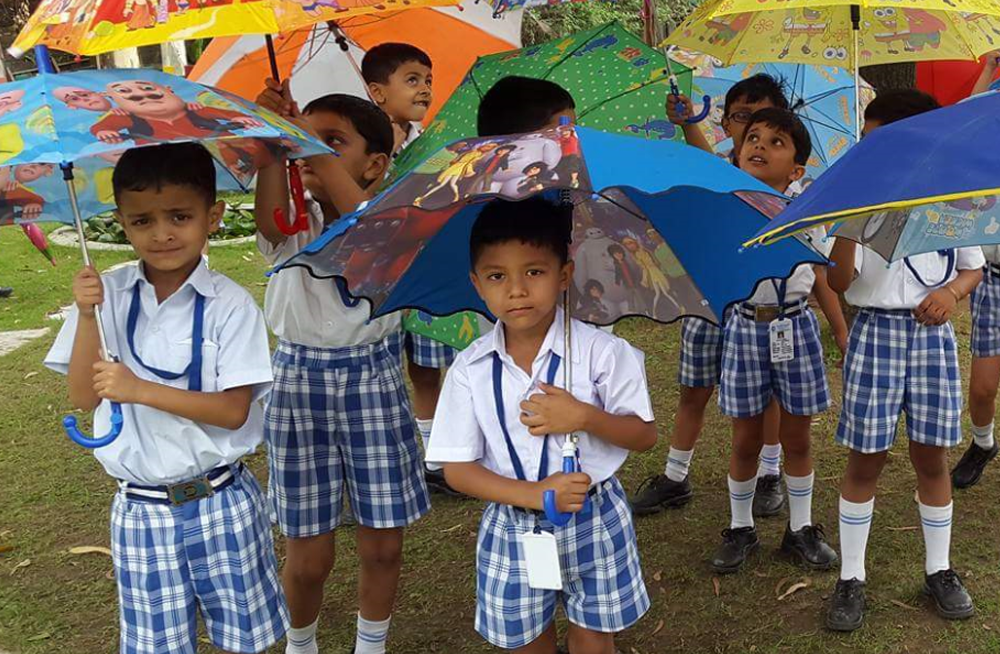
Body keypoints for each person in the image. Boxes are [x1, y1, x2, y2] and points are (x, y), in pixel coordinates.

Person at [43, 142, 288, 654]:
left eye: (180, 216)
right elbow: (84, 397)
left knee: (246, 640)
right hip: (142, 511)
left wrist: (138, 389)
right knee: (158, 645)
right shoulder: (107, 294)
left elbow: (232, 410)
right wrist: (87, 316)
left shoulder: (230, 306)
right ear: (120, 223)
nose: (162, 234)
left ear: (213, 216)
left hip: (222, 500)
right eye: (142, 221)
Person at [428, 197, 656, 653]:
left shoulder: (604, 353)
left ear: (564, 275)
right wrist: (533, 494)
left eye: (534, 272)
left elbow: (644, 435)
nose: (516, 290)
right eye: (497, 276)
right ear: (477, 284)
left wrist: (584, 416)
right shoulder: (470, 369)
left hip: (596, 517)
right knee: (527, 641)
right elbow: (457, 468)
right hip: (513, 524)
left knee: (595, 639)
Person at [254, 90, 430, 654]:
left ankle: (370, 645)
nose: (311, 153)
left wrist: (306, 141)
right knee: (307, 552)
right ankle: (300, 644)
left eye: (333, 142)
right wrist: (272, 141)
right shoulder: (292, 226)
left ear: (376, 163)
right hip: (296, 384)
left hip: (373, 382)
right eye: (305, 141)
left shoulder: (396, 219)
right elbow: (269, 216)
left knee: (382, 544)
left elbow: (363, 230)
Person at [825, 90, 983, 632]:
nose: (871, 150)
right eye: (867, 142)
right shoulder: (858, 199)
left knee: (932, 456)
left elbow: (971, 268)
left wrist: (954, 294)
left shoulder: (952, 198)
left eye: (879, 139)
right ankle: (851, 576)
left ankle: (938, 568)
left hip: (932, 338)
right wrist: (847, 226)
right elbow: (840, 283)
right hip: (875, 336)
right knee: (866, 457)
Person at [631, 74, 793, 517]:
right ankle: (675, 475)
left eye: (762, 120)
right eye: (741, 118)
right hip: (707, 303)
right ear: (726, 122)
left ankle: (770, 473)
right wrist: (687, 124)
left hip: (762, 312)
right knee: (694, 387)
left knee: (771, 395)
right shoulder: (716, 166)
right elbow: (715, 171)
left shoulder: (784, 182)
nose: (751, 130)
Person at [711, 108, 846, 574]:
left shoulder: (809, 210)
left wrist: (841, 330)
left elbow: (827, 275)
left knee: (798, 436)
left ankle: (801, 528)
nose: (759, 146)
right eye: (752, 137)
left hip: (796, 326)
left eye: (775, 141)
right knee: (746, 437)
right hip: (746, 327)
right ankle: (741, 526)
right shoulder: (726, 204)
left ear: (797, 169)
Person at [363, 42, 462, 495]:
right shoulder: (363, 143)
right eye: (411, 80)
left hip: (421, 268)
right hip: (379, 279)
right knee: (385, 367)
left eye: (427, 79)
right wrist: (386, 152)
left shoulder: (432, 141)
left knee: (428, 366)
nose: (424, 88)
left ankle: (436, 461)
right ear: (377, 92)